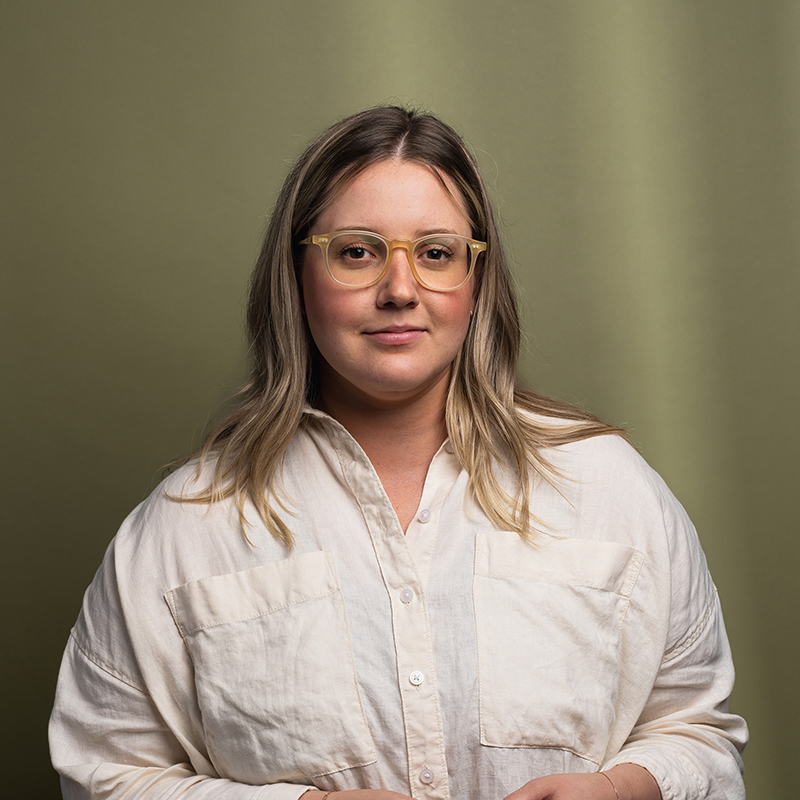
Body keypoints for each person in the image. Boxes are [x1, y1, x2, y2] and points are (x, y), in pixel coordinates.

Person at [49, 106, 747, 800]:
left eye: (437, 253)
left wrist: (627, 789)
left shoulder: (609, 488)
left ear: (477, 285)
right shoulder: (182, 530)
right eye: (357, 251)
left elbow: (699, 734)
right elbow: (100, 775)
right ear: (295, 276)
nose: (401, 289)